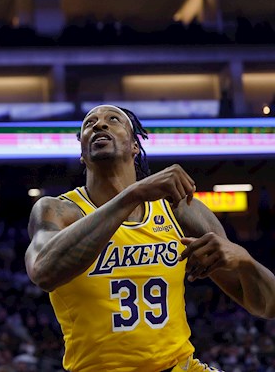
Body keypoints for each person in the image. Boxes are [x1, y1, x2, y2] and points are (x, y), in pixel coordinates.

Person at [25, 104, 275, 372]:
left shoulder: (177, 208)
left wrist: (245, 261)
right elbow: (43, 271)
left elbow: (266, 306)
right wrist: (133, 194)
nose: (99, 124)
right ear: (82, 153)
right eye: (90, 123)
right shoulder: (58, 210)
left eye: (113, 119)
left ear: (135, 145)